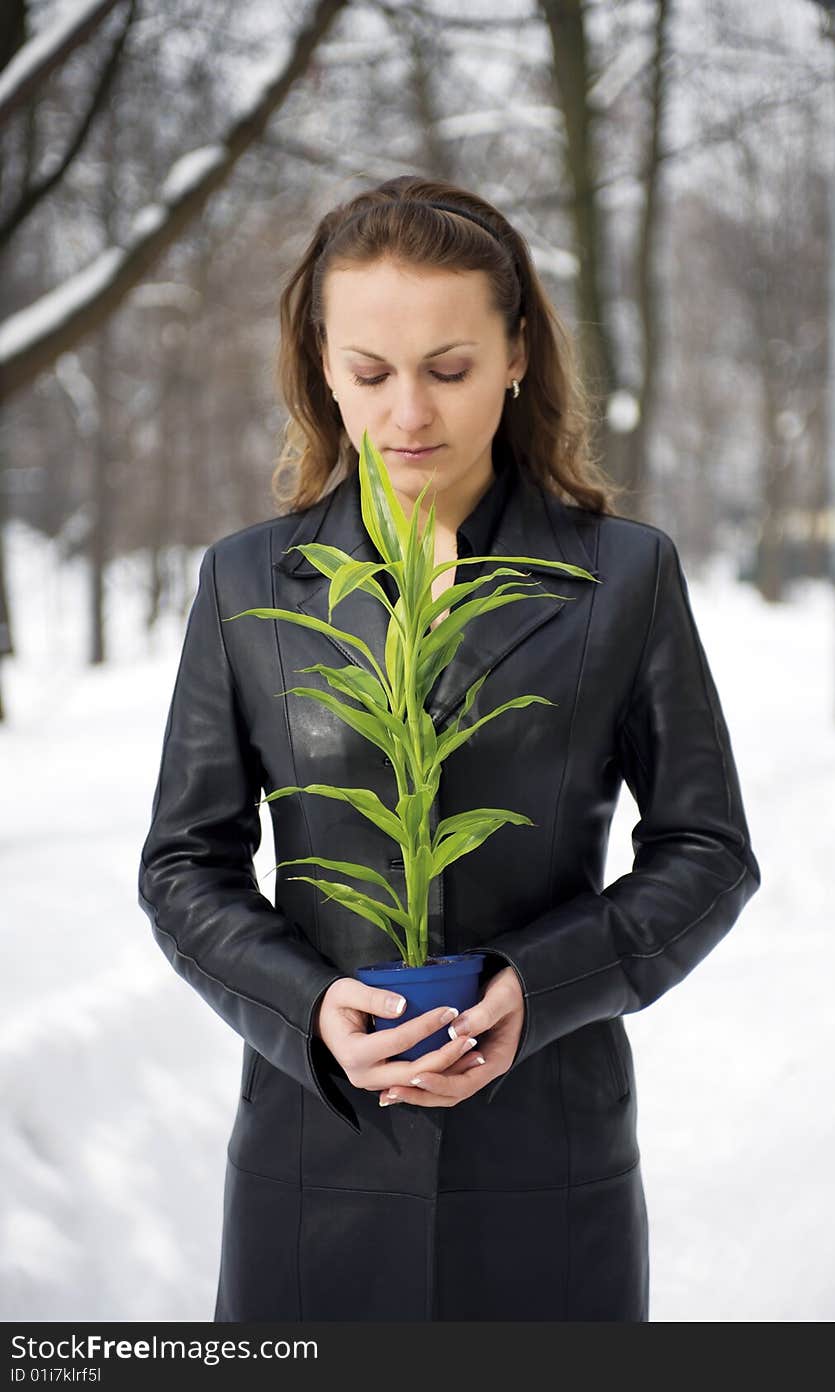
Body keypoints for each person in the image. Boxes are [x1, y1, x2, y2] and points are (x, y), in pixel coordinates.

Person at [137, 175, 761, 1322]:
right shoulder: (245, 582)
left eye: (450, 368)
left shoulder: (622, 577)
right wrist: (307, 1007)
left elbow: (708, 851)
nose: (408, 415)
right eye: (369, 372)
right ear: (321, 364)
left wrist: (543, 983)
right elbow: (183, 865)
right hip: (312, 1167)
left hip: (546, 1158)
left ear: (516, 354)